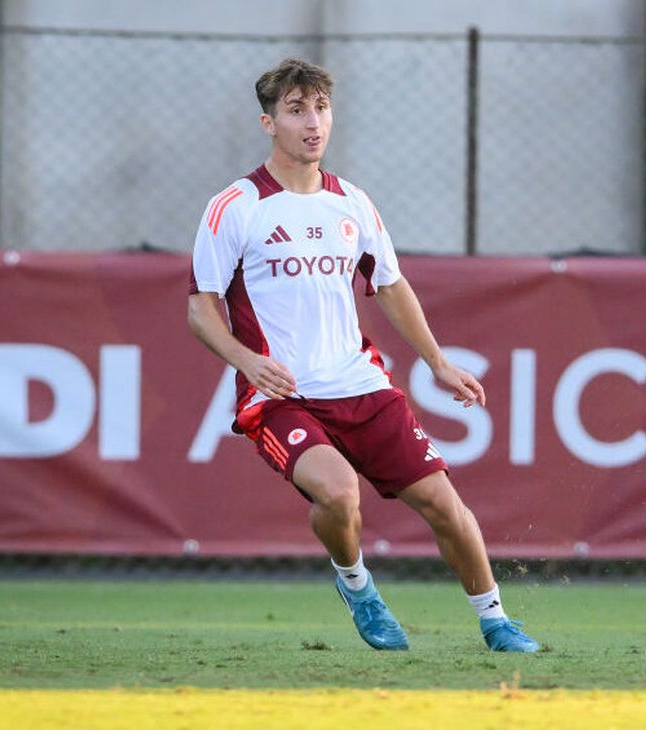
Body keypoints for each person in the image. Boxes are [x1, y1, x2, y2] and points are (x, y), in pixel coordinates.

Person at [187, 58, 538, 653]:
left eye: (321, 108)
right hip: (283, 396)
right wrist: (246, 362)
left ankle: (497, 620)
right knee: (339, 492)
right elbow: (201, 309)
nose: (313, 123)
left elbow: (391, 286)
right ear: (269, 123)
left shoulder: (351, 202)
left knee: (443, 503)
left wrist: (438, 362)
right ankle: (358, 587)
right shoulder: (237, 206)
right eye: (296, 110)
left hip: (361, 385)